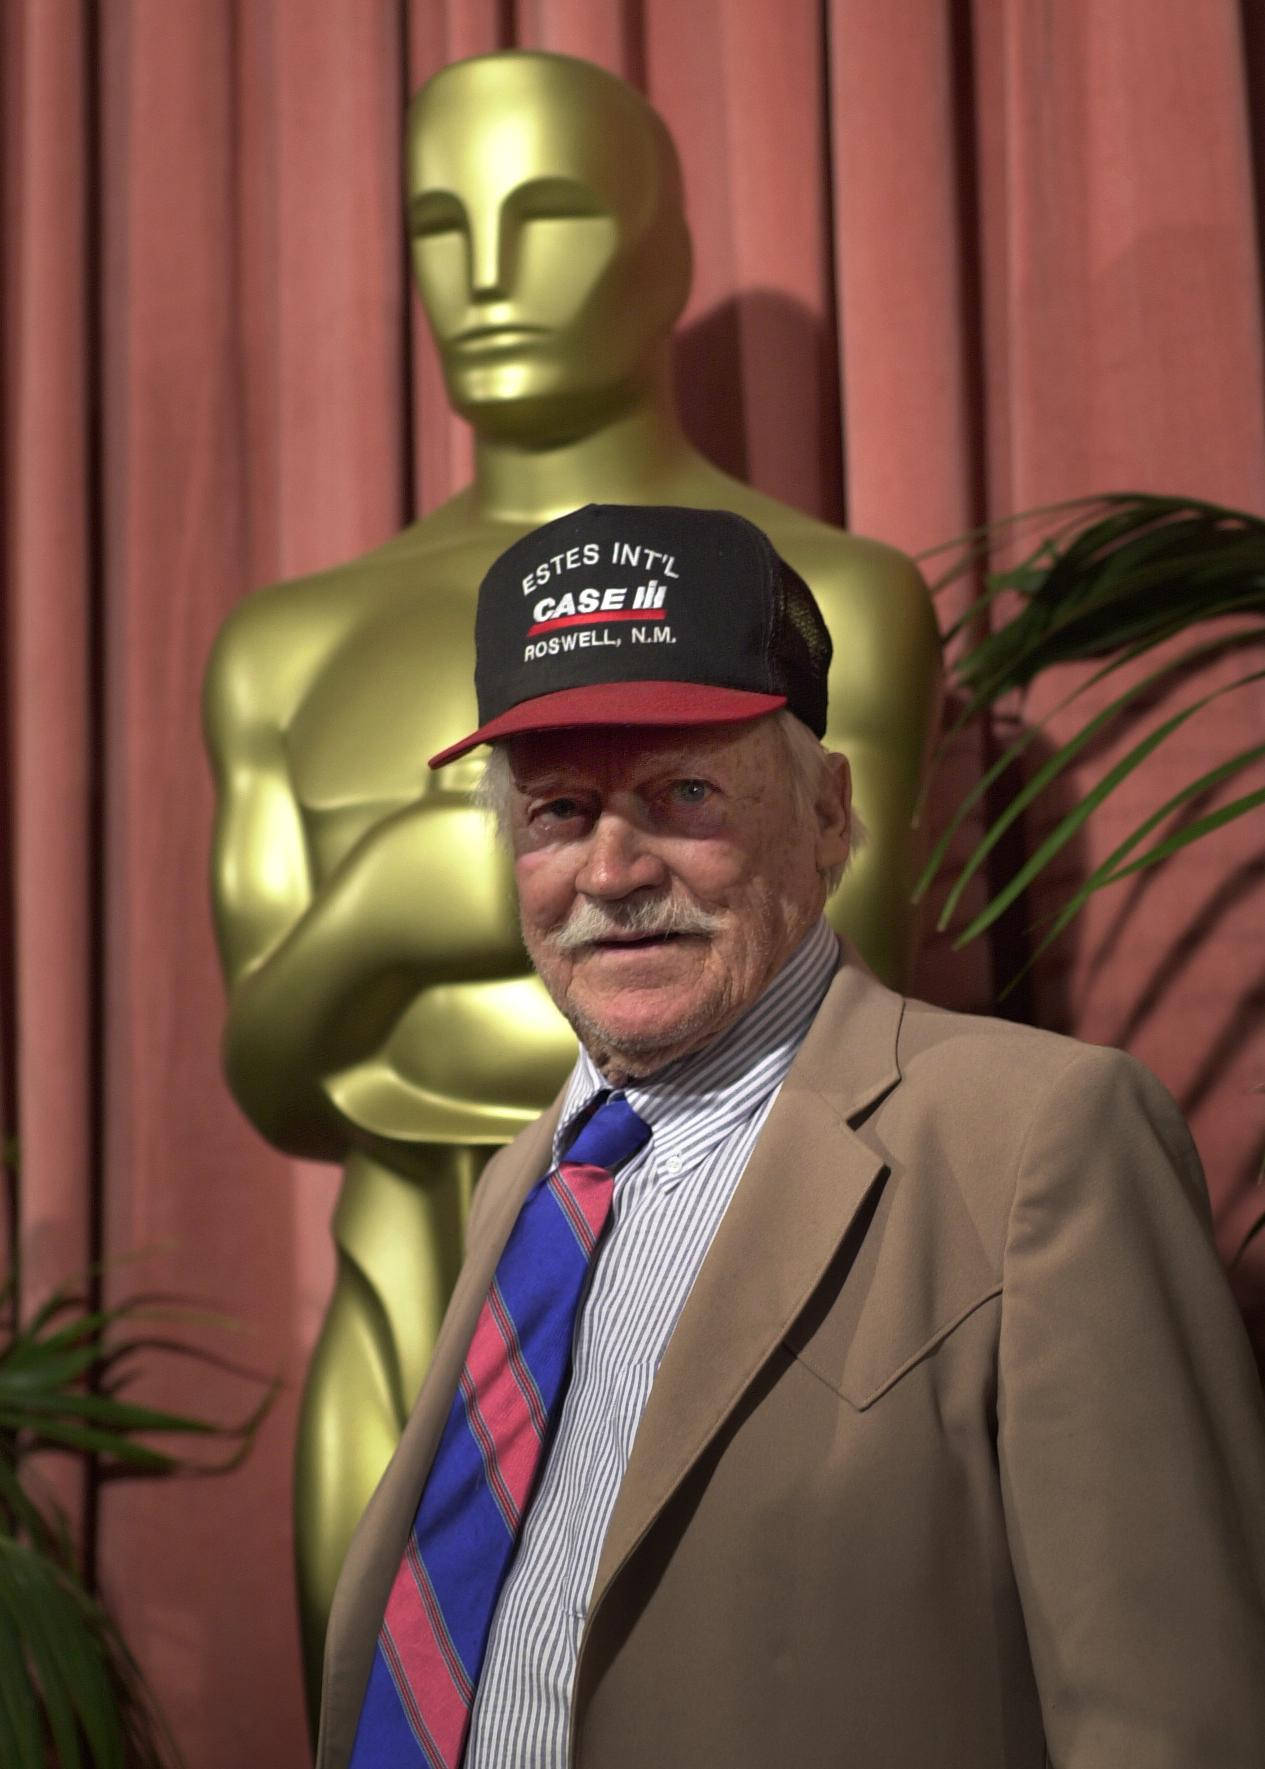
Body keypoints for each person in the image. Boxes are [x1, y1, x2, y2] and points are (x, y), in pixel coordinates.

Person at [203, 47, 941, 1709]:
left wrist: (412, 907)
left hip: (736, 1310)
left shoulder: (833, 598)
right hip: (396, 1329)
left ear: (663, 249)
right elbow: (272, 1068)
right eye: (439, 226)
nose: (482, 279)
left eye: (544, 216)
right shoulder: (289, 643)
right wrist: (394, 909)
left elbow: (829, 993)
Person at [315, 503, 1265, 1769]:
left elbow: (1174, 1721)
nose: (608, 869)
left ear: (827, 813)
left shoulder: (1041, 1138)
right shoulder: (526, 1183)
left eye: (682, 791)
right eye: (555, 811)